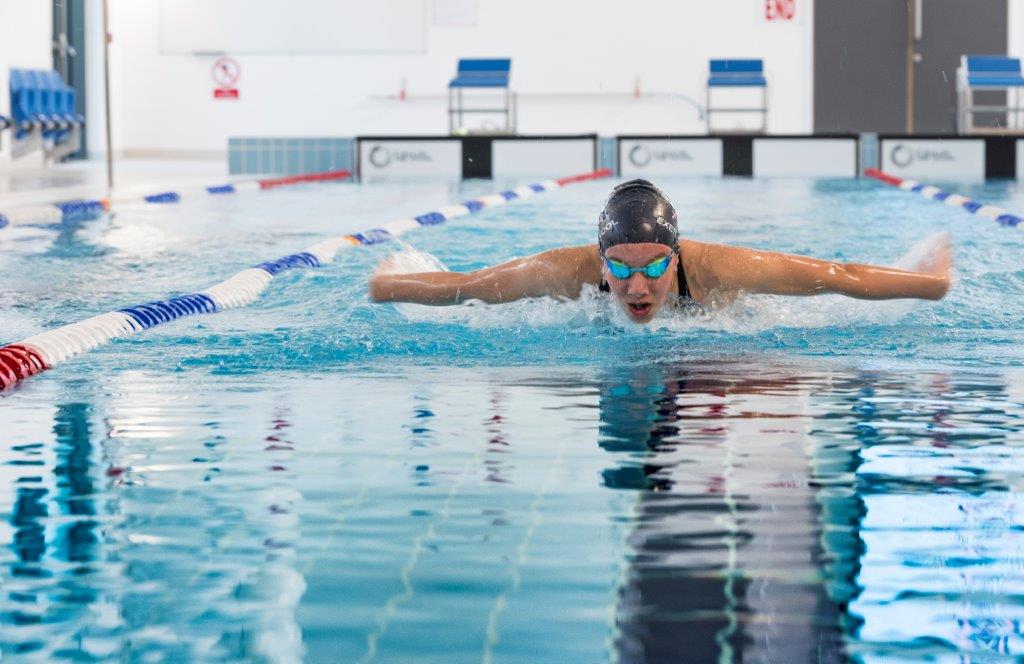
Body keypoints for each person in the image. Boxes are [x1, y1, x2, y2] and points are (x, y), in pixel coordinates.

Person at [369, 179, 951, 324]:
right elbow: (464, 286)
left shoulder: (719, 270)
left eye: (654, 268)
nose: (638, 288)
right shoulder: (562, 272)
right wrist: (388, 284)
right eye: (620, 270)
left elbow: (837, 277)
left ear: (676, 257)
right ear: (600, 263)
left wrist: (929, 283)